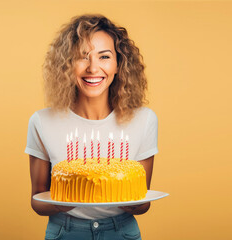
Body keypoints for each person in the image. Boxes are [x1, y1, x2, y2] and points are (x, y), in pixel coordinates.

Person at [25, 14, 158, 240]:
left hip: (121, 231)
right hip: (64, 232)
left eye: (104, 56)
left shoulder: (144, 120)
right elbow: (37, 200)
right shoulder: (42, 122)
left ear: (118, 64)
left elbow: (142, 201)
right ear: (67, 65)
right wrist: (65, 202)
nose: (93, 68)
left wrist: (135, 203)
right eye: (82, 57)